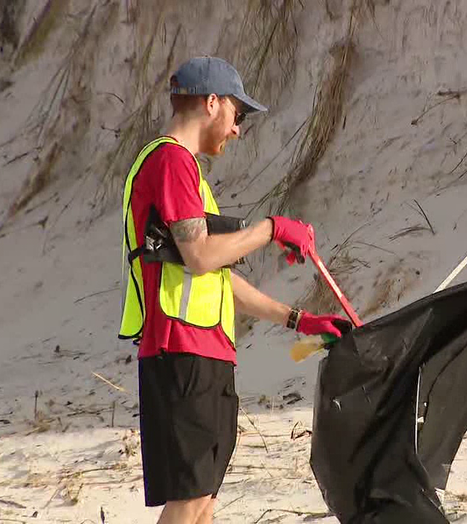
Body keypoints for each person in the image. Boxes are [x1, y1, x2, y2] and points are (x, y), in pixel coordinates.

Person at [118, 56, 350, 524]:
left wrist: (298, 319)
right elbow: (201, 254)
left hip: (204, 353)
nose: (238, 129)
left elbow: (216, 278)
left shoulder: (188, 174)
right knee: (188, 498)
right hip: (180, 353)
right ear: (211, 103)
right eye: (238, 115)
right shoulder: (171, 161)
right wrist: (271, 228)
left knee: (204, 499)